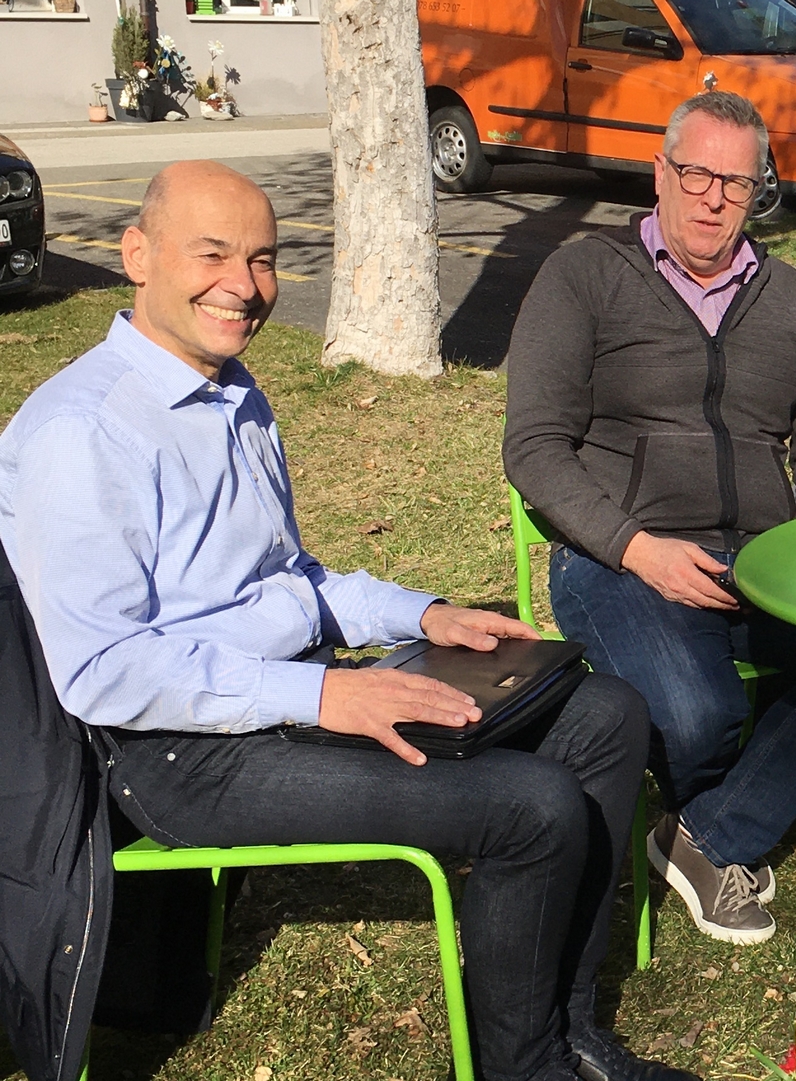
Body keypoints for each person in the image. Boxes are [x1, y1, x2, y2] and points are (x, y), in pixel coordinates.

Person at [0, 162, 693, 1081]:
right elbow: (103, 670)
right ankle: (524, 1067)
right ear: (136, 255)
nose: (243, 286)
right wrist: (325, 692)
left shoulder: (235, 390)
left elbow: (293, 578)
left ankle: (569, 1032)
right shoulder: (79, 432)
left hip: (291, 694)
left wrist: (428, 613)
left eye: (263, 259)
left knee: (606, 714)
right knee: (531, 808)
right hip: (177, 752)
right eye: (212, 254)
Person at [503, 91, 796, 946]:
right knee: (700, 718)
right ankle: (732, 806)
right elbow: (536, 448)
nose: (712, 198)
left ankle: (707, 833)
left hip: (765, 560)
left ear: (756, 192)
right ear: (661, 173)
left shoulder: (787, 296)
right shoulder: (584, 275)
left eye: (735, 183)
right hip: (621, 557)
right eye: (696, 173)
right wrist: (636, 549)